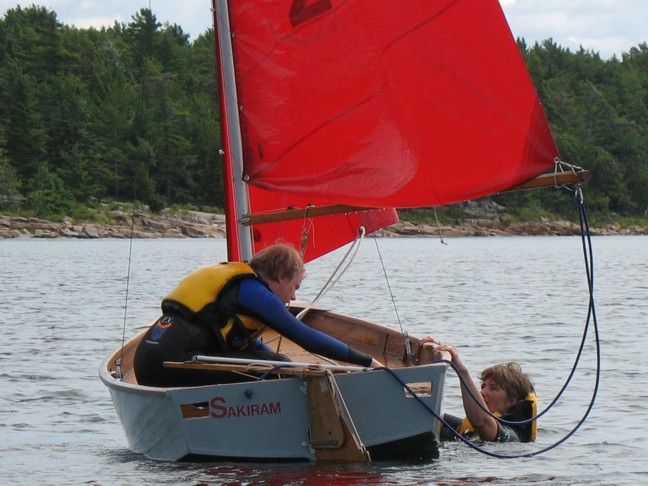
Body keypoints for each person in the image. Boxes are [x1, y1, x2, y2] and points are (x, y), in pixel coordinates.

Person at [134, 243, 383, 387]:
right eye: (295, 287)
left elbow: (248, 344)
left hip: (145, 362)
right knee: (282, 369)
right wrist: (367, 361)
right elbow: (306, 338)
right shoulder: (255, 293)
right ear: (281, 276)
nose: (294, 298)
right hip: (170, 366)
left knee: (273, 360)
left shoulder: (238, 286)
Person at [421, 337, 537, 443]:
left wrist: (462, 371)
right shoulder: (468, 429)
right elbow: (432, 418)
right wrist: (438, 351)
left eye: (493, 388)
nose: (482, 392)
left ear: (511, 401)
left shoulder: (513, 437)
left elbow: (483, 423)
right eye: (483, 387)